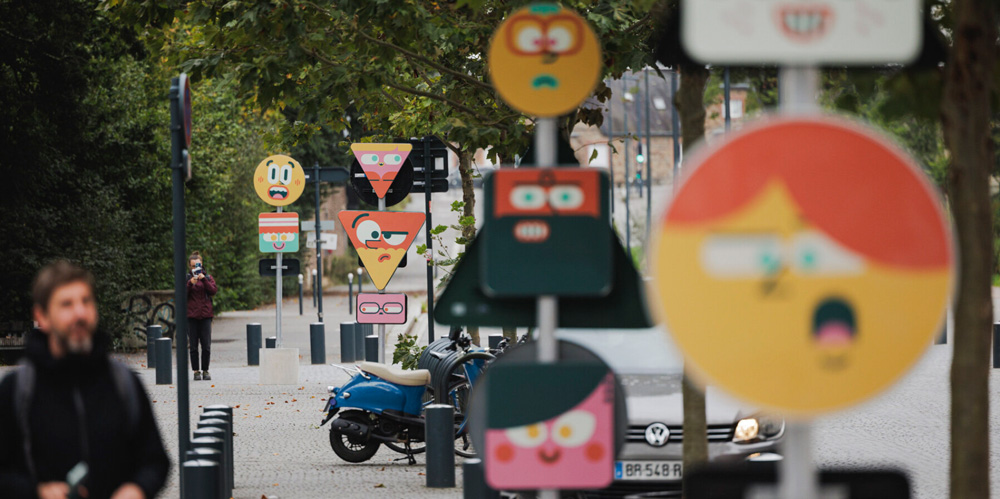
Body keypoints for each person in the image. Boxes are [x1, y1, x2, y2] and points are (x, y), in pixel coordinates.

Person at [0, 260, 170, 499]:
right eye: (66, 304)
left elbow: (155, 461)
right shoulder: (17, 389)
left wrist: (137, 489)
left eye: (86, 301)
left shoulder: (124, 382)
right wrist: (36, 493)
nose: (79, 312)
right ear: (42, 316)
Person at [186, 251, 217, 381]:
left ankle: (205, 370)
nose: (195, 268)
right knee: (193, 345)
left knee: (206, 345)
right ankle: (196, 371)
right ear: (189, 266)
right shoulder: (187, 278)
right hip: (192, 316)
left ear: (202, 264)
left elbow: (213, 291)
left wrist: (203, 279)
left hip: (205, 315)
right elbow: (181, 295)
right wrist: (190, 283)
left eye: (197, 265)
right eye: (193, 266)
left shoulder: (208, 278)